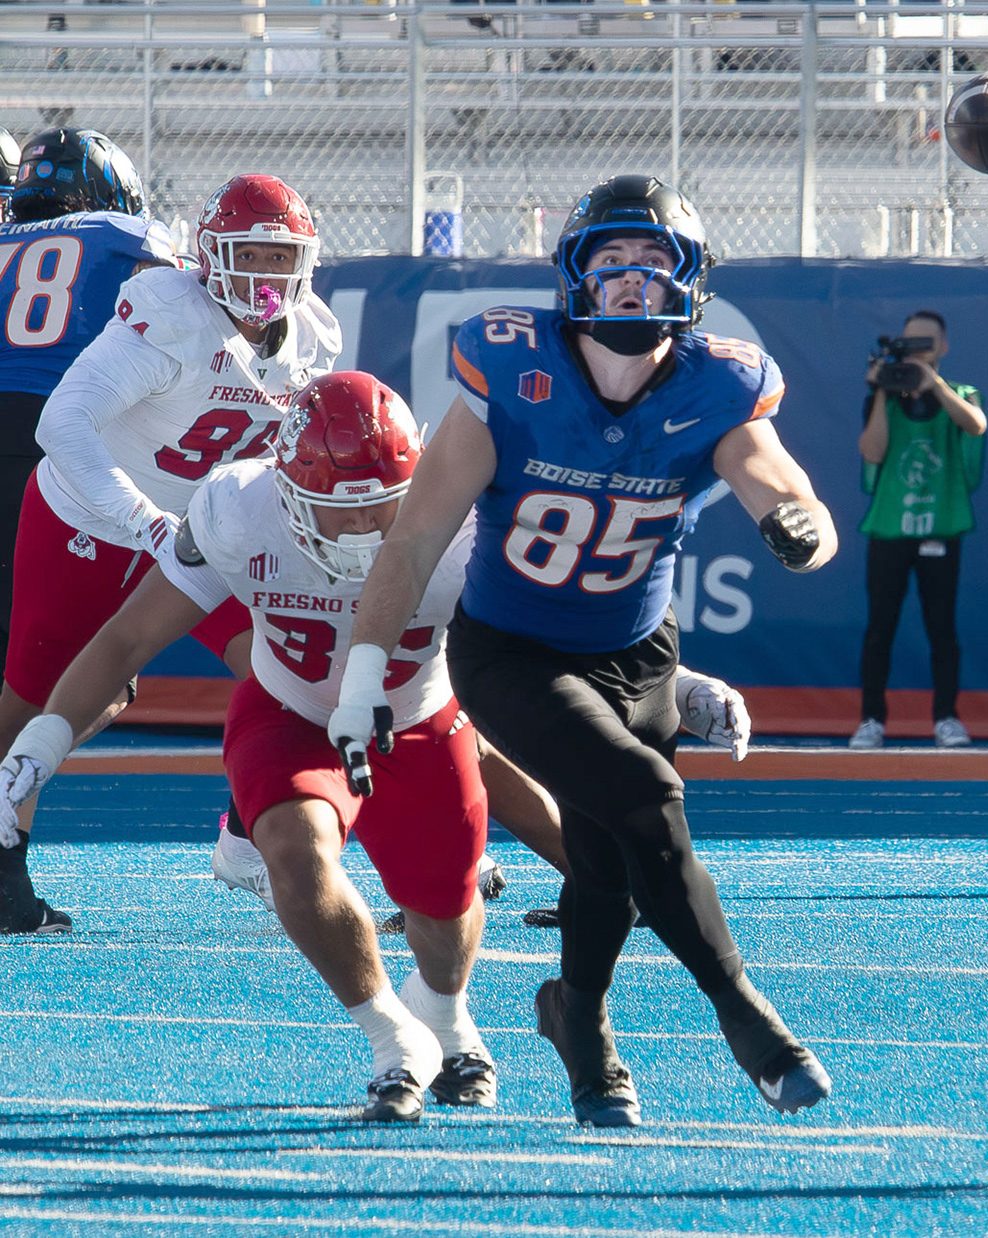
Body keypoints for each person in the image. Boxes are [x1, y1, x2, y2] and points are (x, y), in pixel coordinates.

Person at [330, 175, 838, 1127]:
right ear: (575, 276)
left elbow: (777, 478)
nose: (632, 283)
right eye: (612, 263)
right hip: (511, 651)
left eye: (654, 264)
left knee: (609, 865)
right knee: (648, 796)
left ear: (690, 281)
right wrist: (366, 676)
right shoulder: (511, 369)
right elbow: (414, 538)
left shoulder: (718, 382)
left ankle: (578, 1018)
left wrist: (796, 523)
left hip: (640, 652)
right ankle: (749, 1019)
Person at [0, 374, 493, 1121]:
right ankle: (395, 1038)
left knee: (444, 905)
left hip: (417, 716)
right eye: (337, 513)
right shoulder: (239, 505)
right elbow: (133, 632)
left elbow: (542, 643)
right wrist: (49, 729)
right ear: (288, 492)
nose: (363, 538)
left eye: (379, 511)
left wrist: (673, 685)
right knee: (295, 856)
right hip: (289, 710)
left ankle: (448, 1017)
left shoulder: (464, 524)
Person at [0, 166, 311, 934]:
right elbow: (62, 424)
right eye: (251, 255)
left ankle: (247, 837)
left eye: (281, 259)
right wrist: (141, 522)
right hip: (90, 518)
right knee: (36, 702)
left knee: (294, 670)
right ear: (208, 256)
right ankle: (4, 858)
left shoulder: (314, 337)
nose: (267, 276)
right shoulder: (169, 311)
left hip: (205, 530)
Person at [851, 310, 986, 751]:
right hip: (890, 530)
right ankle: (871, 719)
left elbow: (975, 425)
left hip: (940, 528)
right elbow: (872, 452)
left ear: (943, 347)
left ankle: (947, 718)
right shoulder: (883, 395)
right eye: (909, 344)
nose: (917, 351)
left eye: (926, 344)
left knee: (941, 628)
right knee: (880, 629)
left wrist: (934, 384)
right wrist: (879, 393)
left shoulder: (961, 393)